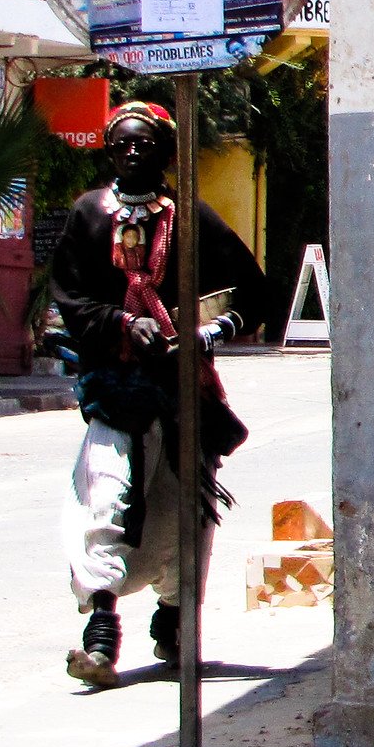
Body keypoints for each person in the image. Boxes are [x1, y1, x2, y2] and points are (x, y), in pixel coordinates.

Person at [51, 100, 268, 688]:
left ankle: (174, 620)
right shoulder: (88, 215)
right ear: (109, 150)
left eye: (144, 143)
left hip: (179, 388)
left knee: (184, 505)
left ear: (166, 152)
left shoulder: (191, 217)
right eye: (122, 143)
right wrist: (122, 325)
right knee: (104, 491)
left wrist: (207, 330)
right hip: (113, 387)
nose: (133, 152)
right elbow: (69, 297)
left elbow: (252, 291)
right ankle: (100, 632)